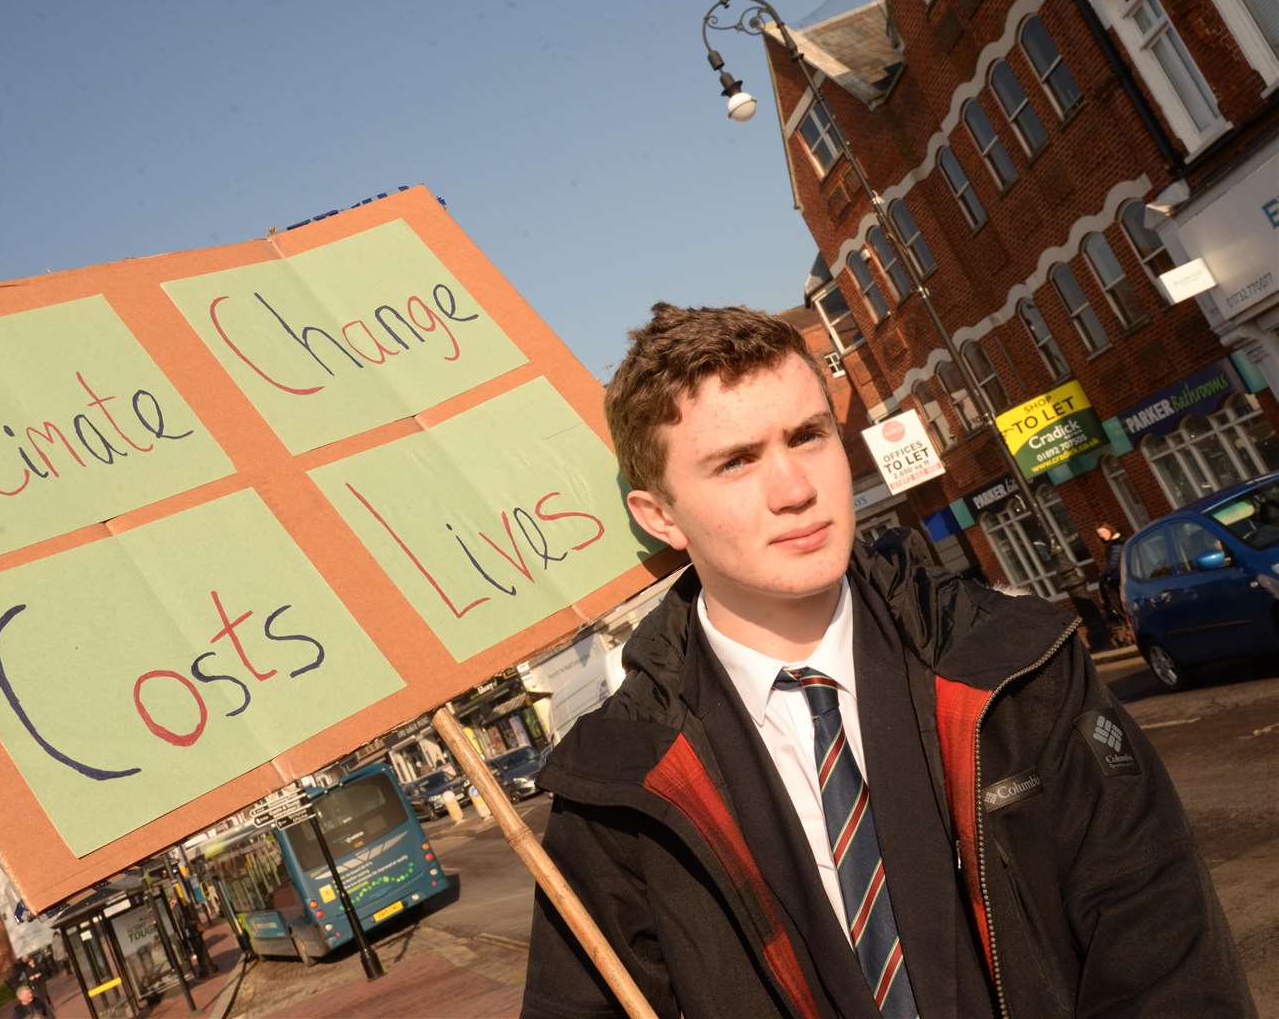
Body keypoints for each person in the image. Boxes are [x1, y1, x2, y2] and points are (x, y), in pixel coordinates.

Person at [522, 304, 1252, 1018]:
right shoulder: (616, 784)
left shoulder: (1015, 667)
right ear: (660, 517)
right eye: (737, 462)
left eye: (808, 437)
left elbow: (1163, 944)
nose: (797, 490)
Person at [1095, 521, 1127, 627]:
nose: (1101, 536)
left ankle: (1124, 618)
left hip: (1120, 576)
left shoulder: (1117, 543)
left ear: (1109, 530)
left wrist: (1103, 574)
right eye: (1099, 534)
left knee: (1114, 597)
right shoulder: (1116, 542)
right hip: (1120, 574)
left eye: (1102, 532)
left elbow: (1113, 563)